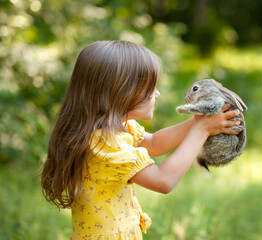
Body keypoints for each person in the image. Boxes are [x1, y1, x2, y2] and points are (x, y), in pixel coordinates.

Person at [40, 40, 241, 239]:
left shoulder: (114, 127)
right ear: (121, 93)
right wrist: (201, 129)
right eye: (149, 89)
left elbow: (155, 143)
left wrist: (200, 119)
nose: (157, 93)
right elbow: (163, 180)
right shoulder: (104, 142)